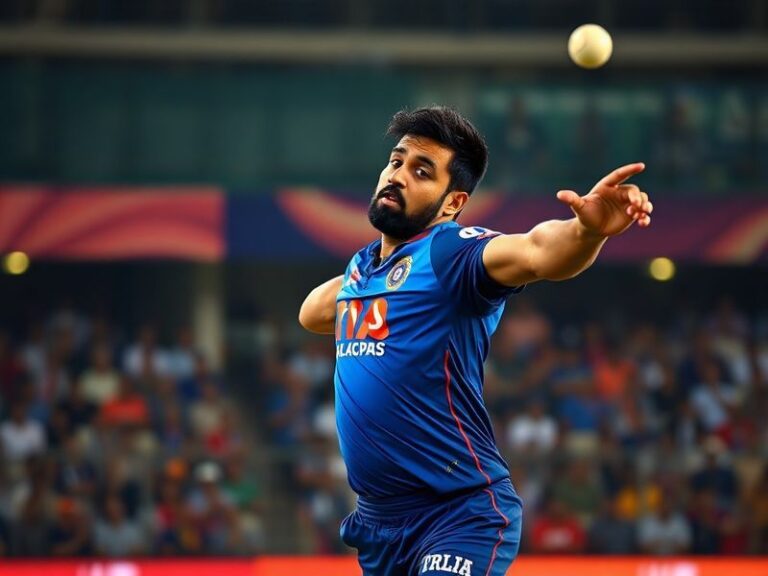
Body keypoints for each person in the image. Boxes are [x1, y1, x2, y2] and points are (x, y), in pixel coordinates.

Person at [298, 106, 653, 576]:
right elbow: (311, 313)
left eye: (421, 171)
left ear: (452, 203)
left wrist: (585, 232)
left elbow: (537, 251)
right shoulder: (363, 269)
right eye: (396, 161)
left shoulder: (452, 253)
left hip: (457, 513)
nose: (398, 175)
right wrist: (361, 294)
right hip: (379, 525)